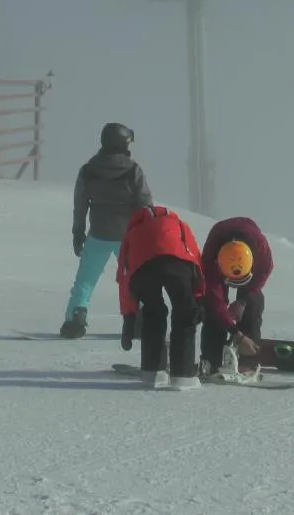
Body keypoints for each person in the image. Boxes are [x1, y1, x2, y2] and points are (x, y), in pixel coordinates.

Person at [61, 122, 153, 339]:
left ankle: (76, 316)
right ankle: (138, 319)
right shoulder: (133, 170)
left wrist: (78, 232)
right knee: (134, 279)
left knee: (85, 280)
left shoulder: (89, 170)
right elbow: (145, 204)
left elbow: (80, 203)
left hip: (98, 234)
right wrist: (147, 234)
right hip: (129, 236)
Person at [117, 205, 205, 389]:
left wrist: (129, 317)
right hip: (178, 265)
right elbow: (196, 259)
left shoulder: (132, 233)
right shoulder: (180, 225)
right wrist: (198, 298)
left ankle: (152, 372)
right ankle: (183, 375)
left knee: (152, 311)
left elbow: (124, 277)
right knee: (184, 312)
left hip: (143, 270)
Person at [199, 217, 274, 379]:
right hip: (218, 238)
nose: (235, 285)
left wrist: (242, 301)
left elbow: (263, 274)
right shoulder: (210, 260)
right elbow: (215, 302)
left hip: (249, 241)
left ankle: (248, 361)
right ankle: (211, 359)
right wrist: (237, 335)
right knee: (212, 309)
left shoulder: (261, 252)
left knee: (254, 302)